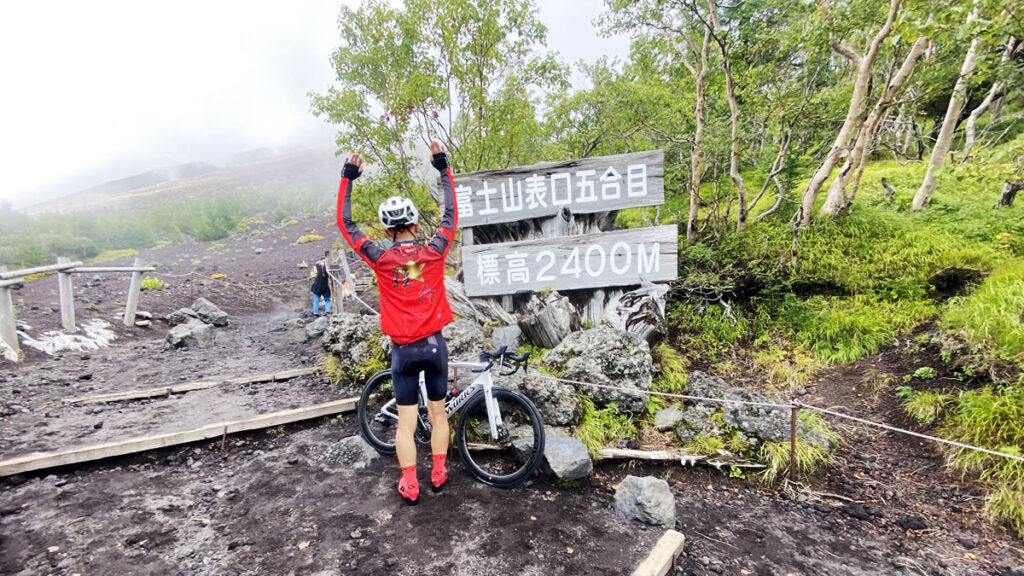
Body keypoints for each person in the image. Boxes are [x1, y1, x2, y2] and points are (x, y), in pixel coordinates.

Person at [335, 141, 457, 506]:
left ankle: (410, 485)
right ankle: (438, 473)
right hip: (435, 346)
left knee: (405, 423)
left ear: (388, 229)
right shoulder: (434, 251)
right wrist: (442, 166)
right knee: (437, 414)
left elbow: (346, 223)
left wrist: (348, 178)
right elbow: (451, 212)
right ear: (416, 223)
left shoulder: (379, 258)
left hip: (403, 351)